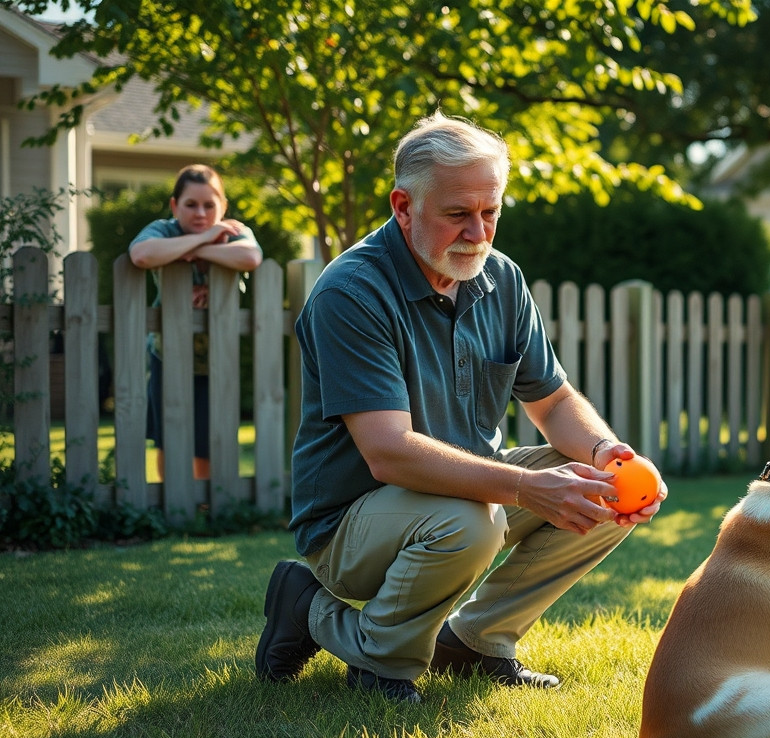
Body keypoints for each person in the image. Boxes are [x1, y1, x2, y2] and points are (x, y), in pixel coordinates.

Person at [256, 112, 666, 704]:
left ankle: (474, 642)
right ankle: (347, 635)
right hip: (350, 523)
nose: (478, 232)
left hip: (465, 498)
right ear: (404, 206)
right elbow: (389, 453)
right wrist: (524, 488)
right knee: (473, 522)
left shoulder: (501, 279)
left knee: (598, 487)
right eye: (457, 214)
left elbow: (553, 401)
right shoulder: (352, 292)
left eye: (490, 212)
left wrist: (607, 454)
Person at [128, 165, 263, 480]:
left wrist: (199, 247)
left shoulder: (233, 231)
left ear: (223, 206)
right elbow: (141, 254)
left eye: (209, 205)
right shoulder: (163, 230)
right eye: (191, 204)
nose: (200, 213)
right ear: (175, 206)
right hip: (167, 354)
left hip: (217, 359)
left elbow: (250, 257)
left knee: (208, 440)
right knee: (168, 438)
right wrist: (204, 238)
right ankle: (172, 499)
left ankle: (204, 502)